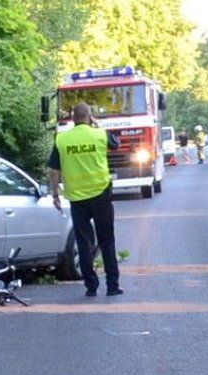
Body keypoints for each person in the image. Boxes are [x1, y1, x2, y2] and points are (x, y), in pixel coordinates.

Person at [48, 102, 123, 297]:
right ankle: (112, 286)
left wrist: (55, 194)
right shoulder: (99, 134)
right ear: (90, 117)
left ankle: (91, 287)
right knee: (107, 240)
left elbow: (54, 170)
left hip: (77, 198)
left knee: (83, 241)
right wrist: (96, 126)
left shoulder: (62, 140)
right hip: (101, 195)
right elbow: (116, 144)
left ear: (73, 119)